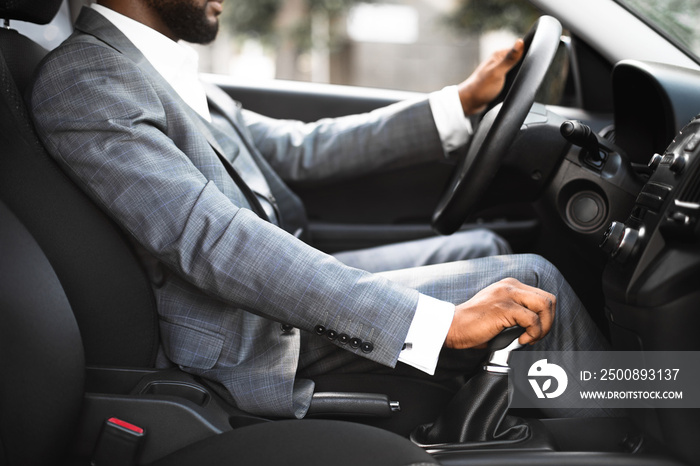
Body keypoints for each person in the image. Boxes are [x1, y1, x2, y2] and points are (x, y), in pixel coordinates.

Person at [29, 0, 608, 419]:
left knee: (485, 248)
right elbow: (212, 239)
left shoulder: (154, 64)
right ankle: (643, 419)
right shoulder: (89, 79)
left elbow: (292, 149)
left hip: (261, 297)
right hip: (242, 335)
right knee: (530, 278)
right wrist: (434, 325)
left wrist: (460, 101)